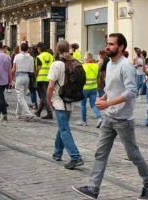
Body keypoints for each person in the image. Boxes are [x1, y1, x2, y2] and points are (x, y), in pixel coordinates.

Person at [73, 33, 148, 200]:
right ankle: (93, 188)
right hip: (109, 118)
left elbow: (131, 91)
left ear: (121, 47)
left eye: (111, 44)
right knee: (100, 153)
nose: (107, 46)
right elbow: (113, 87)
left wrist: (108, 102)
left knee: (133, 155)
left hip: (123, 119)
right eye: (107, 43)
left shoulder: (126, 66)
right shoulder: (109, 63)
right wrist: (105, 97)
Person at [48, 40, 85, 169]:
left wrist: (49, 100)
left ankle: (75, 156)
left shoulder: (56, 64)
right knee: (62, 127)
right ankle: (58, 152)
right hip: (70, 99)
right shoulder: (74, 62)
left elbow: (51, 86)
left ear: (57, 49)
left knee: (64, 129)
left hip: (59, 101)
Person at [12, 42, 35, 121]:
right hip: (27, 76)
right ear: (28, 49)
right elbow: (33, 69)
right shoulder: (31, 58)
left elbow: (14, 68)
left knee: (20, 96)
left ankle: (28, 113)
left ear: (20, 48)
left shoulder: (17, 56)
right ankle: (18, 113)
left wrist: (11, 78)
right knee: (22, 96)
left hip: (19, 76)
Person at [80, 51, 102, 127]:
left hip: (84, 88)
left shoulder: (83, 66)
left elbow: (80, 78)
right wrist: (99, 86)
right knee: (93, 104)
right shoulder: (96, 66)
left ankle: (84, 121)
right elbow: (98, 78)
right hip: (93, 88)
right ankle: (99, 118)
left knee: (83, 104)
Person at [0, 41, 12, 122]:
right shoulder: (7, 57)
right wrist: (10, 81)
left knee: (0, 98)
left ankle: (4, 115)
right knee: (0, 96)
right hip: (5, 79)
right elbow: (9, 70)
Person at [35, 42, 54, 119]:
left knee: (44, 96)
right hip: (50, 77)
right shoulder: (51, 56)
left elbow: (38, 68)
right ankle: (38, 112)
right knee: (44, 96)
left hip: (41, 78)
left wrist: (35, 77)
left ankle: (49, 112)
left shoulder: (39, 57)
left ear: (39, 48)